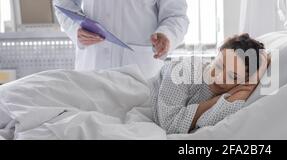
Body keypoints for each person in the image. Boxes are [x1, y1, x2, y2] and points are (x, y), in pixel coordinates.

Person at [149, 33, 269, 134]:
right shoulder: (184, 70)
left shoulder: (237, 90)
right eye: (219, 65)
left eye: (233, 76)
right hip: (142, 93)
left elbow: (204, 123)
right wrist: (222, 98)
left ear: (245, 80)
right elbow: (169, 125)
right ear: (218, 53)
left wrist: (252, 83)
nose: (219, 78)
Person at [53, 0, 189, 79]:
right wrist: (76, 27)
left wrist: (167, 35)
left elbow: (175, 15)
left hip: (140, 73)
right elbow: (63, 4)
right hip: (92, 67)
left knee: (140, 125)